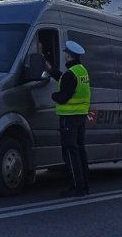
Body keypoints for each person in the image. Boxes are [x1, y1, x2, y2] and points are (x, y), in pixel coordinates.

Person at [47, 40, 91, 197]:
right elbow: (66, 80)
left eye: (66, 54)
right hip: (80, 115)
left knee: (70, 151)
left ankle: (76, 186)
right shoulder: (81, 71)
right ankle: (84, 185)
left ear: (69, 56)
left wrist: (53, 95)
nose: (65, 56)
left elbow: (63, 96)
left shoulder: (70, 74)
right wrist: (52, 71)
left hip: (68, 117)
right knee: (80, 150)